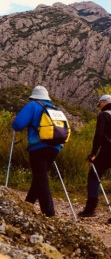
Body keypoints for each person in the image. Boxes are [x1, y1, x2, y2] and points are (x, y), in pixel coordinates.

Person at [11, 86, 63, 217]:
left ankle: (49, 213)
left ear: (33, 97)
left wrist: (14, 121)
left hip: (38, 147)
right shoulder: (55, 108)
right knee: (39, 176)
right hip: (55, 147)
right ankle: (28, 204)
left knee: (41, 177)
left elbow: (18, 125)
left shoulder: (32, 105)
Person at [78, 94, 111, 225]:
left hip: (109, 152)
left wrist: (93, 153)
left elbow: (99, 135)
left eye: (99, 104)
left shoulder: (104, 115)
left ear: (102, 103)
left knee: (93, 175)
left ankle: (91, 208)